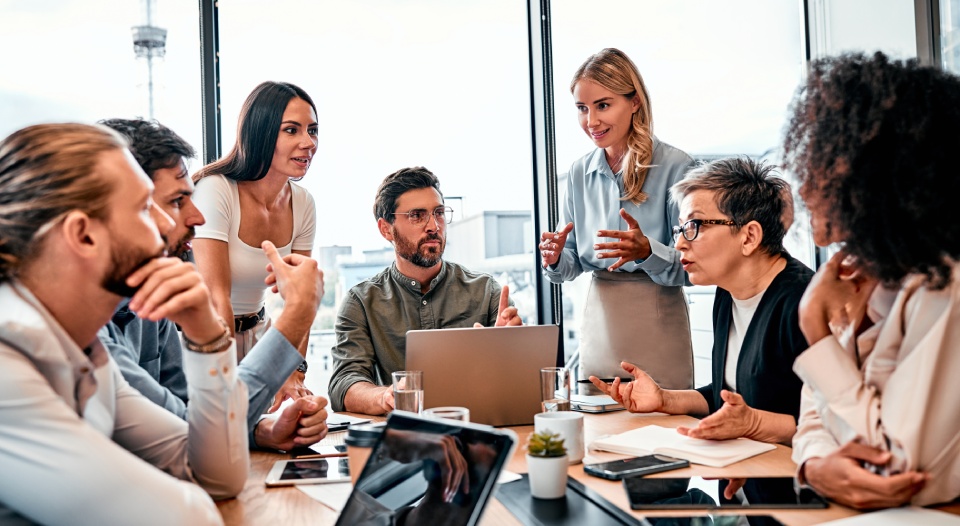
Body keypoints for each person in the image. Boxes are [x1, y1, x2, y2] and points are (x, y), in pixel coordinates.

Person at [0, 123, 245, 524]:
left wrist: (207, 339)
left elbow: (217, 476)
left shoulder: (84, 348)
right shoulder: (8, 361)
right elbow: (186, 517)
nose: (167, 225)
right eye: (143, 208)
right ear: (83, 234)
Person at [783, 52, 960, 509]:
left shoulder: (943, 282)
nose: (804, 188)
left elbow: (900, 468)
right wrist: (816, 465)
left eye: (823, 164)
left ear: (876, 171)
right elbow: (813, 420)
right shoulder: (860, 272)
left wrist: (816, 329)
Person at [97, 118, 328, 451]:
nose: (197, 217)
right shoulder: (88, 339)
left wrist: (262, 431)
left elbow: (193, 415)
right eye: (177, 201)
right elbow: (198, 439)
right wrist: (298, 314)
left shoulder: (153, 306)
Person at [591, 157, 812, 502]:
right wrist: (665, 399)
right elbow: (726, 398)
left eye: (694, 226)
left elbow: (834, 428)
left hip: (797, 504)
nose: (679, 243)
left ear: (749, 236)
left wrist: (753, 424)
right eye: (680, 229)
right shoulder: (728, 293)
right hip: (742, 497)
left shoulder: (804, 305)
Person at [539, 48, 695, 391]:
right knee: (598, 434)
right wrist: (555, 259)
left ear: (635, 102)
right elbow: (573, 264)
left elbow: (692, 267)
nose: (591, 121)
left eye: (603, 105)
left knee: (664, 432)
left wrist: (647, 251)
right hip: (600, 325)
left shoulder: (677, 167)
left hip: (659, 324)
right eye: (582, 108)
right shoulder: (579, 172)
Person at [329, 167, 522, 415]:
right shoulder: (361, 301)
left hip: (477, 431)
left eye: (439, 213)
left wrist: (511, 351)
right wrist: (385, 397)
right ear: (386, 229)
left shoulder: (487, 292)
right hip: (403, 439)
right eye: (417, 215)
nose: (434, 226)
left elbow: (519, 382)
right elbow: (343, 383)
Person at [191, 80, 319, 373]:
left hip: (259, 337)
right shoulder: (216, 190)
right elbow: (216, 296)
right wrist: (224, 377)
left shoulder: (303, 204)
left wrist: (294, 373)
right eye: (291, 130)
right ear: (260, 132)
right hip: (205, 342)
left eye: (312, 130)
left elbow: (300, 300)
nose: (308, 142)